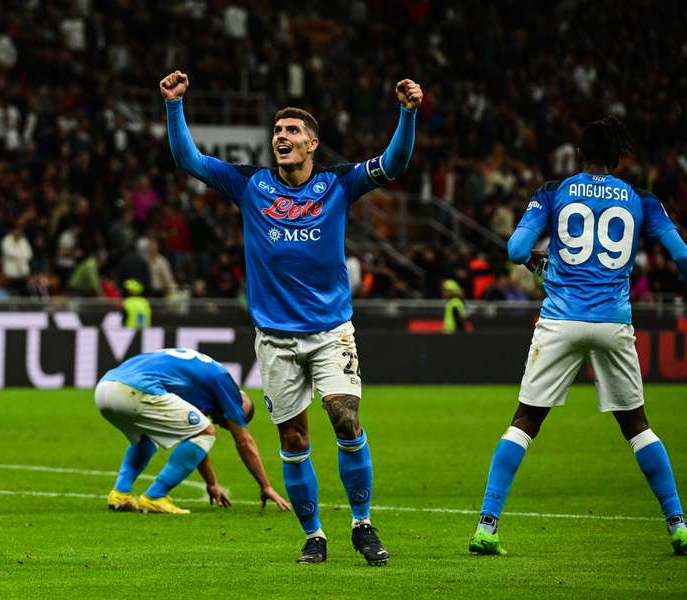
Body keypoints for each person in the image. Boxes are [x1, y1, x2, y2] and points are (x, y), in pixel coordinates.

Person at [160, 69, 422, 564]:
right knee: (293, 436)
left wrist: (408, 113)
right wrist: (174, 105)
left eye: (293, 131)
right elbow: (187, 159)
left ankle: (363, 525)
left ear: (312, 144)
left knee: (345, 417)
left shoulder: (338, 183)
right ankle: (314, 534)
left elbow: (395, 163)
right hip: (275, 338)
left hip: (330, 331)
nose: (282, 136)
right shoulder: (249, 184)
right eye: (278, 131)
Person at [468, 116, 687, 556]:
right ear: (618, 157)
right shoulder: (641, 199)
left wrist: (538, 264)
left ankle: (487, 527)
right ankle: (678, 524)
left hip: (561, 319)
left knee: (526, 420)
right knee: (637, 427)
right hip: (613, 321)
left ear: (579, 155)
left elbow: (513, 250)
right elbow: (681, 254)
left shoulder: (553, 191)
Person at [96, 348, 291, 515]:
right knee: (206, 432)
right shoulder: (227, 385)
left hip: (105, 388)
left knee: (147, 439)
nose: (222, 422)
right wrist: (265, 485)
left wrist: (212, 483)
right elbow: (243, 441)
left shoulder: (200, 378)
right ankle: (155, 496)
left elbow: (192, 435)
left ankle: (120, 494)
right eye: (227, 420)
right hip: (134, 390)